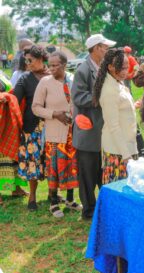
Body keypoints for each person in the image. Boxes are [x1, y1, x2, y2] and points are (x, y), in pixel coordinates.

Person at [71, 33, 116, 220]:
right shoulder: (83, 70)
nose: (107, 50)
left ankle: (102, 208)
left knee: (103, 171)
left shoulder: (104, 68)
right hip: (89, 133)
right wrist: (102, 99)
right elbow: (78, 97)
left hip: (103, 131)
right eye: (105, 47)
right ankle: (89, 210)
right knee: (88, 174)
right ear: (97, 48)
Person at [32, 51, 82, 218]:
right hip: (54, 134)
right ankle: (53, 202)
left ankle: (69, 199)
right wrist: (55, 114)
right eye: (50, 65)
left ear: (64, 65)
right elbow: (36, 107)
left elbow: (77, 102)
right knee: (54, 168)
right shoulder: (45, 82)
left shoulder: (73, 79)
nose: (51, 68)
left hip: (72, 132)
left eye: (55, 65)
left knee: (71, 166)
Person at [13, 45, 50, 211]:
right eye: (25, 60)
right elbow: (14, 98)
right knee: (33, 161)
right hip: (32, 126)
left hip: (53, 124)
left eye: (30, 60)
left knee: (52, 159)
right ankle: (33, 197)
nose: (27, 63)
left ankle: (53, 194)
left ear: (41, 58)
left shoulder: (54, 75)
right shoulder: (25, 79)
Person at [93, 48, 138, 184]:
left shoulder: (117, 81)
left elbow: (120, 109)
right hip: (118, 150)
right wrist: (126, 155)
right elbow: (113, 126)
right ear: (110, 67)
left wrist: (133, 106)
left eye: (126, 67)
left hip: (126, 146)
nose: (125, 71)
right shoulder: (109, 91)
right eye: (121, 68)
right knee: (120, 192)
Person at [0, 92, 27, 205]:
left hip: (8, 126)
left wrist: (7, 97)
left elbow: (12, 92)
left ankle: (16, 189)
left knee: (12, 159)